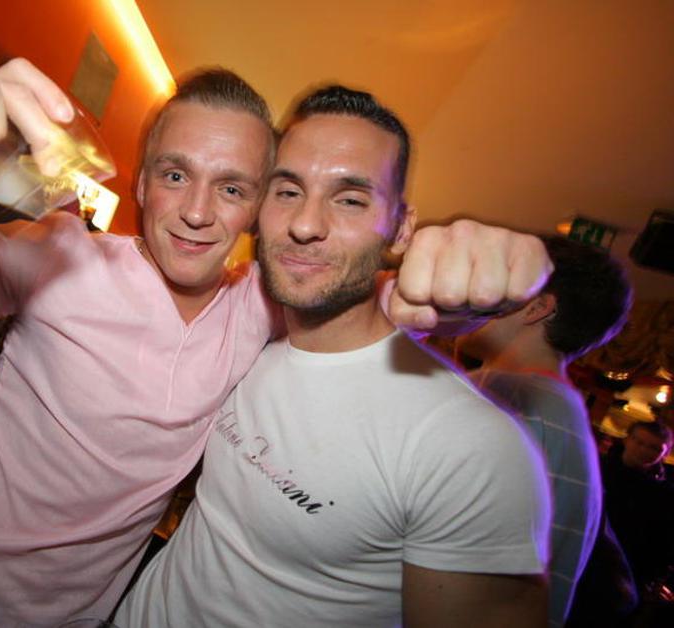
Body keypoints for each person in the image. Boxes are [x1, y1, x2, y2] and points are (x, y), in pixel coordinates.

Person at [0, 60, 551, 625]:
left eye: (232, 187)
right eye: (173, 174)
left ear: (257, 210)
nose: (197, 212)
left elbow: (369, 289)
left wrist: (475, 273)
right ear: (137, 182)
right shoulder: (53, 259)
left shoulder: (263, 307)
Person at [115, 86, 551, 627]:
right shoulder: (247, 330)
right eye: (288, 191)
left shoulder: (468, 444)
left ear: (401, 228)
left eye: (349, 200)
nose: (305, 225)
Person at [455, 235, 633, 627]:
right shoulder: (560, 409)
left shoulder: (505, 395)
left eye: (498, 281)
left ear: (536, 307)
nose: (475, 293)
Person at [601, 421, 674, 608]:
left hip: (627, 573)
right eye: (639, 442)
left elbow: (663, 541)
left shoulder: (663, 493)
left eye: (654, 448)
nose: (644, 450)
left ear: (664, 453)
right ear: (627, 440)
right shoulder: (599, 469)